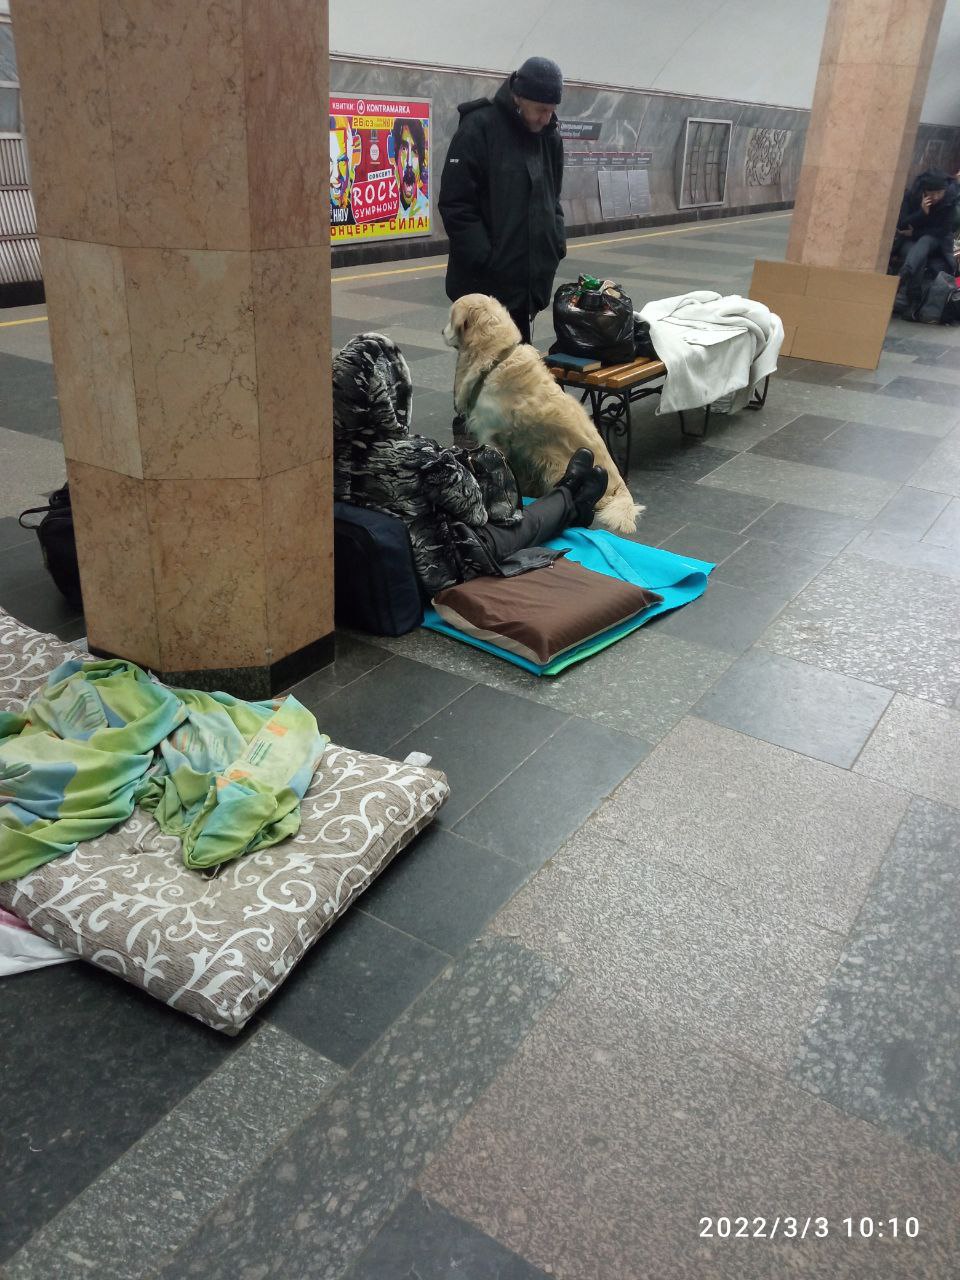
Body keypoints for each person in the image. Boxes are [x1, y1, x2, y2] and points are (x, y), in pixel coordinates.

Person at [332, 333, 606, 596]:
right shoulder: (415, 458)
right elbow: (476, 513)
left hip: (378, 571)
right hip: (439, 570)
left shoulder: (323, 453)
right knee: (523, 525)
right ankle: (570, 497)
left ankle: (570, 496)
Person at [439, 56, 566, 345]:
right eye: (540, 110)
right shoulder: (479, 128)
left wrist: (556, 243)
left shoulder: (549, 138)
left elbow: (553, 197)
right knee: (483, 379)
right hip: (484, 290)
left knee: (519, 375)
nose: (546, 118)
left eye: (552, 110)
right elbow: (455, 204)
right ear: (518, 98)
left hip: (527, 284)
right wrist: (486, 259)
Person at [891, 169, 959, 316]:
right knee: (918, 257)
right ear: (924, 191)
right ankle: (912, 301)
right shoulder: (912, 197)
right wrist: (922, 213)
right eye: (931, 193)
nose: (935, 197)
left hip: (936, 242)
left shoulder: (949, 201)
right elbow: (902, 224)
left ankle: (904, 273)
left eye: (939, 193)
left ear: (944, 191)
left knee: (925, 240)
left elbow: (943, 230)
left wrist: (915, 232)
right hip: (911, 242)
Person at [392, 118, 430, 223]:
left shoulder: (425, 211)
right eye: (404, 149)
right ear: (396, 158)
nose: (409, 164)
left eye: (415, 151)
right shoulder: (388, 209)